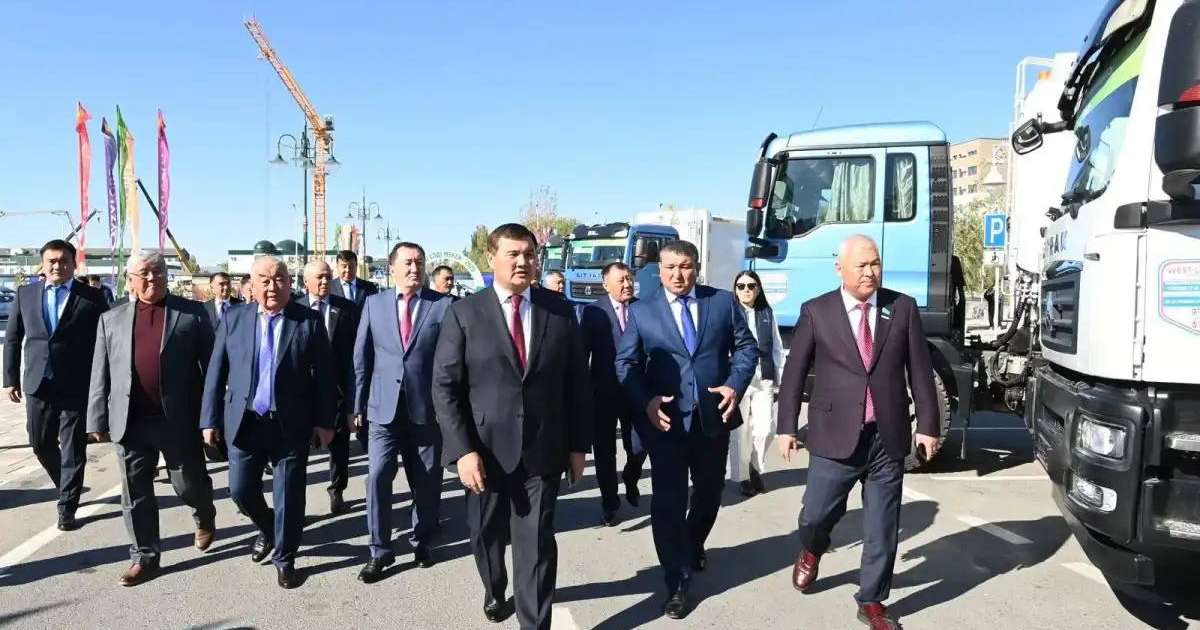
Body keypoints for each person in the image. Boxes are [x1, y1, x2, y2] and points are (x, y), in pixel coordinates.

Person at [776, 234, 940, 630]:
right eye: (861, 266)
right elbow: (795, 372)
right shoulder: (817, 311)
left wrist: (929, 426)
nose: (870, 273)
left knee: (882, 524)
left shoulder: (901, 308)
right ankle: (813, 549)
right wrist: (785, 428)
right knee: (815, 515)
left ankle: (871, 601)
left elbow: (919, 370)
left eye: (875, 264)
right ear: (841, 269)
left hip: (887, 435)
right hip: (834, 435)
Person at [432, 223, 591, 629]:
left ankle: (533, 622)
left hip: (543, 448)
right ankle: (494, 586)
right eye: (513, 254)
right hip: (483, 452)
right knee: (485, 534)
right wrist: (463, 451)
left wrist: (578, 447)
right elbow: (445, 387)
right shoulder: (465, 313)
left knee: (536, 543)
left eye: (529, 254)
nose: (523, 262)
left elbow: (576, 384)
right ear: (492, 258)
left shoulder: (559, 311)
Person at [615, 240, 757, 620]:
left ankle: (693, 543)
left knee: (709, 495)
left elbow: (747, 349)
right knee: (668, 503)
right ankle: (676, 580)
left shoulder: (722, 303)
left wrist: (735, 384)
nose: (679, 275)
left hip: (714, 419)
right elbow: (626, 364)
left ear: (697, 268)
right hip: (665, 424)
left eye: (686, 266)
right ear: (658, 272)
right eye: (671, 268)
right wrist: (645, 401)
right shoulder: (642, 313)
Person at [199, 256, 336, 589]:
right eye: (264, 279)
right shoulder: (234, 318)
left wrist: (325, 422)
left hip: (290, 423)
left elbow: (326, 377)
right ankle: (268, 528)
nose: (272, 286)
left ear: (290, 283)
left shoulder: (309, 321)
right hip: (244, 422)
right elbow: (216, 373)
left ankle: (285, 559)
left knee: (289, 495)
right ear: (251, 283)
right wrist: (209, 419)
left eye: (280, 279)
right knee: (240, 490)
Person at [85, 253, 217, 586]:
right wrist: (96, 419)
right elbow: (100, 374)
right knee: (135, 493)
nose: (151, 278)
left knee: (187, 483)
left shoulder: (191, 313)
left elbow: (212, 368)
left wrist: (211, 415)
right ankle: (144, 556)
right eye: (143, 273)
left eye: (157, 271)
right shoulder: (110, 319)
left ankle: (204, 513)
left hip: (178, 419)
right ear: (129, 279)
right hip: (130, 421)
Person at [353, 242, 454, 583]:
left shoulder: (443, 307)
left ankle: (422, 540)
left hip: (427, 412)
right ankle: (379, 551)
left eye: (420, 262)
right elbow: (362, 358)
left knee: (426, 482)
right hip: (383, 411)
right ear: (392, 267)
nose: (414, 268)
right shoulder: (374, 304)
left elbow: (451, 363)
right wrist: (358, 406)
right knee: (378, 476)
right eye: (408, 262)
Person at [3, 239, 109, 530]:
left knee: (74, 448)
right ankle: (66, 484)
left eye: (63, 261)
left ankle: (67, 506)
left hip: (76, 385)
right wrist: (10, 378)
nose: (57, 266)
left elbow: (105, 343)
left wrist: (103, 384)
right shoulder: (26, 294)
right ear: (43, 264)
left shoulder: (92, 297)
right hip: (38, 383)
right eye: (51, 261)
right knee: (39, 443)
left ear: (74, 264)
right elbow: (12, 338)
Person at [579, 262, 646, 526]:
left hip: (637, 391)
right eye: (621, 280)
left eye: (629, 279)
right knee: (604, 452)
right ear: (606, 284)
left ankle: (631, 476)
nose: (627, 284)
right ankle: (610, 502)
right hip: (603, 393)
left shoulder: (643, 307)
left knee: (640, 446)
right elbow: (583, 353)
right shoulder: (594, 312)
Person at [295, 261, 359, 515]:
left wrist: (354, 401)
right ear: (305, 281)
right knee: (297, 450)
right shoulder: (295, 308)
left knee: (339, 447)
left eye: (327, 278)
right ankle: (295, 500)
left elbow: (355, 356)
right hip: (301, 394)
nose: (324, 283)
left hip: (336, 392)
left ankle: (337, 490)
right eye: (319, 278)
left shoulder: (347, 309)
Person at [729, 270, 783, 497]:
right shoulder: (729, 313)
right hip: (738, 378)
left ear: (758, 289)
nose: (746, 290)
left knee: (765, 429)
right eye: (741, 286)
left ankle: (754, 465)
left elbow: (777, 347)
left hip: (764, 376)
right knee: (741, 431)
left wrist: (779, 379)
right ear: (735, 290)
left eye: (751, 286)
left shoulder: (767, 313)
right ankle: (743, 476)